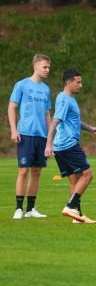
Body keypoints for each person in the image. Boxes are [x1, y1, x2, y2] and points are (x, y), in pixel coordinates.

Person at [44, 69, 96, 223]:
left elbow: (73, 121)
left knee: (75, 180)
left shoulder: (69, 99)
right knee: (88, 175)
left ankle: (76, 216)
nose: (80, 85)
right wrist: (48, 144)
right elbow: (54, 122)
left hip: (62, 146)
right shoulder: (64, 99)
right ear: (68, 83)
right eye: (77, 82)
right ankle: (70, 206)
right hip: (68, 145)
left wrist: (90, 128)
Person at [8, 54, 52, 219]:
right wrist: (14, 130)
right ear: (35, 66)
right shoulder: (22, 85)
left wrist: (50, 138)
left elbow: (47, 114)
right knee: (23, 170)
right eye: (44, 67)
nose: (47, 70)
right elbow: (11, 107)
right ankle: (19, 208)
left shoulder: (46, 89)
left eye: (48, 67)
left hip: (41, 136)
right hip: (25, 133)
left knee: (36, 171)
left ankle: (30, 209)